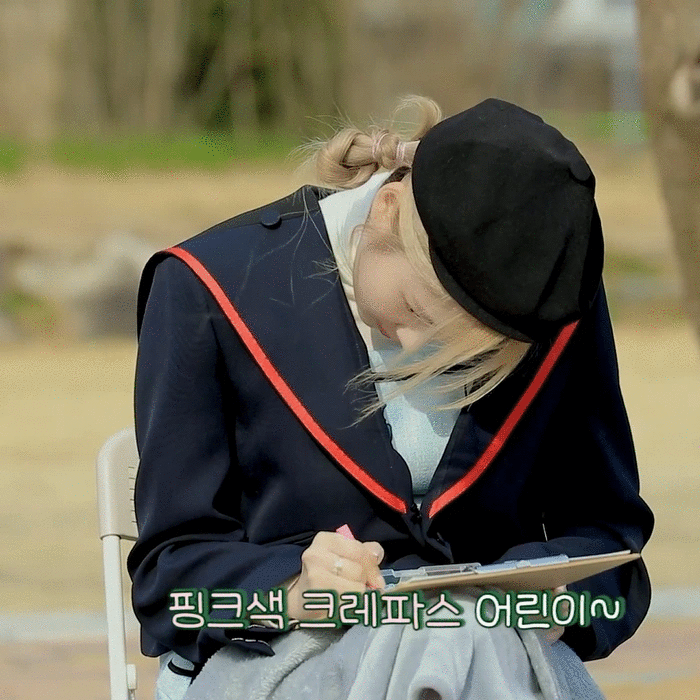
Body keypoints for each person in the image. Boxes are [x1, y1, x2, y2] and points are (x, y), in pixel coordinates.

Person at [128, 97, 654, 700]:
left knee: (462, 639)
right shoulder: (207, 287)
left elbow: (612, 550)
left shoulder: (548, 303)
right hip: (280, 660)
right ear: (385, 212)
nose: (421, 354)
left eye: (472, 352)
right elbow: (169, 588)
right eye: (418, 313)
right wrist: (291, 591)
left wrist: (557, 601)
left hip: (502, 656)